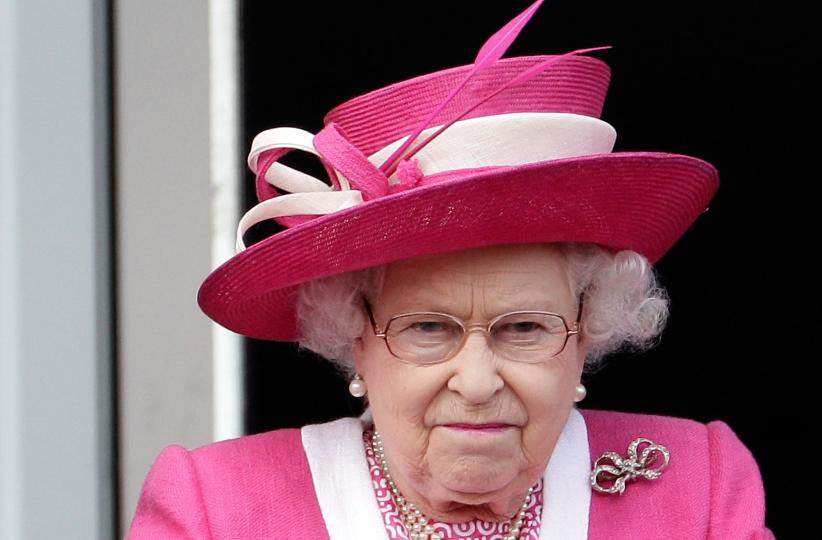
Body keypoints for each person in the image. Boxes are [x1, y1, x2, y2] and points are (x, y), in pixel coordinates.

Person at [127, 1, 774, 538]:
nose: (477, 380)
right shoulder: (217, 507)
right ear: (355, 336)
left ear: (585, 333)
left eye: (524, 328)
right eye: (428, 329)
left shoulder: (700, 488)